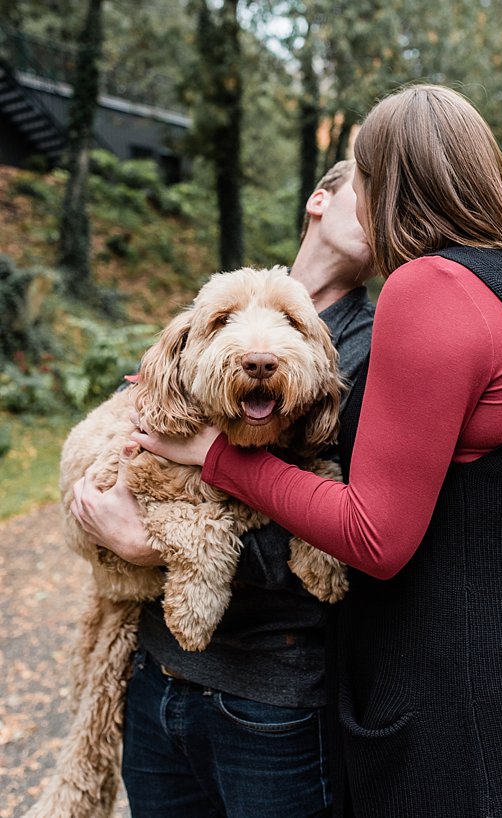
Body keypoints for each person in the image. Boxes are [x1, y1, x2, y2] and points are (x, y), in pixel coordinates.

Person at [131, 84, 502, 817]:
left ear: (388, 181)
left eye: (364, 173)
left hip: (422, 687)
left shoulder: (425, 292)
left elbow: (371, 535)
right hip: (495, 672)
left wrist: (205, 468)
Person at [69, 158, 375, 817]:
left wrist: (154, 545)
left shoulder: (370, 349)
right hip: (157, 675)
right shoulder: (233, 304)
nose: (387, 209)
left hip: (271, 695)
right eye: (371, 190)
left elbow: (353, 531)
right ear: (320, 199)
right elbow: (138, 437)